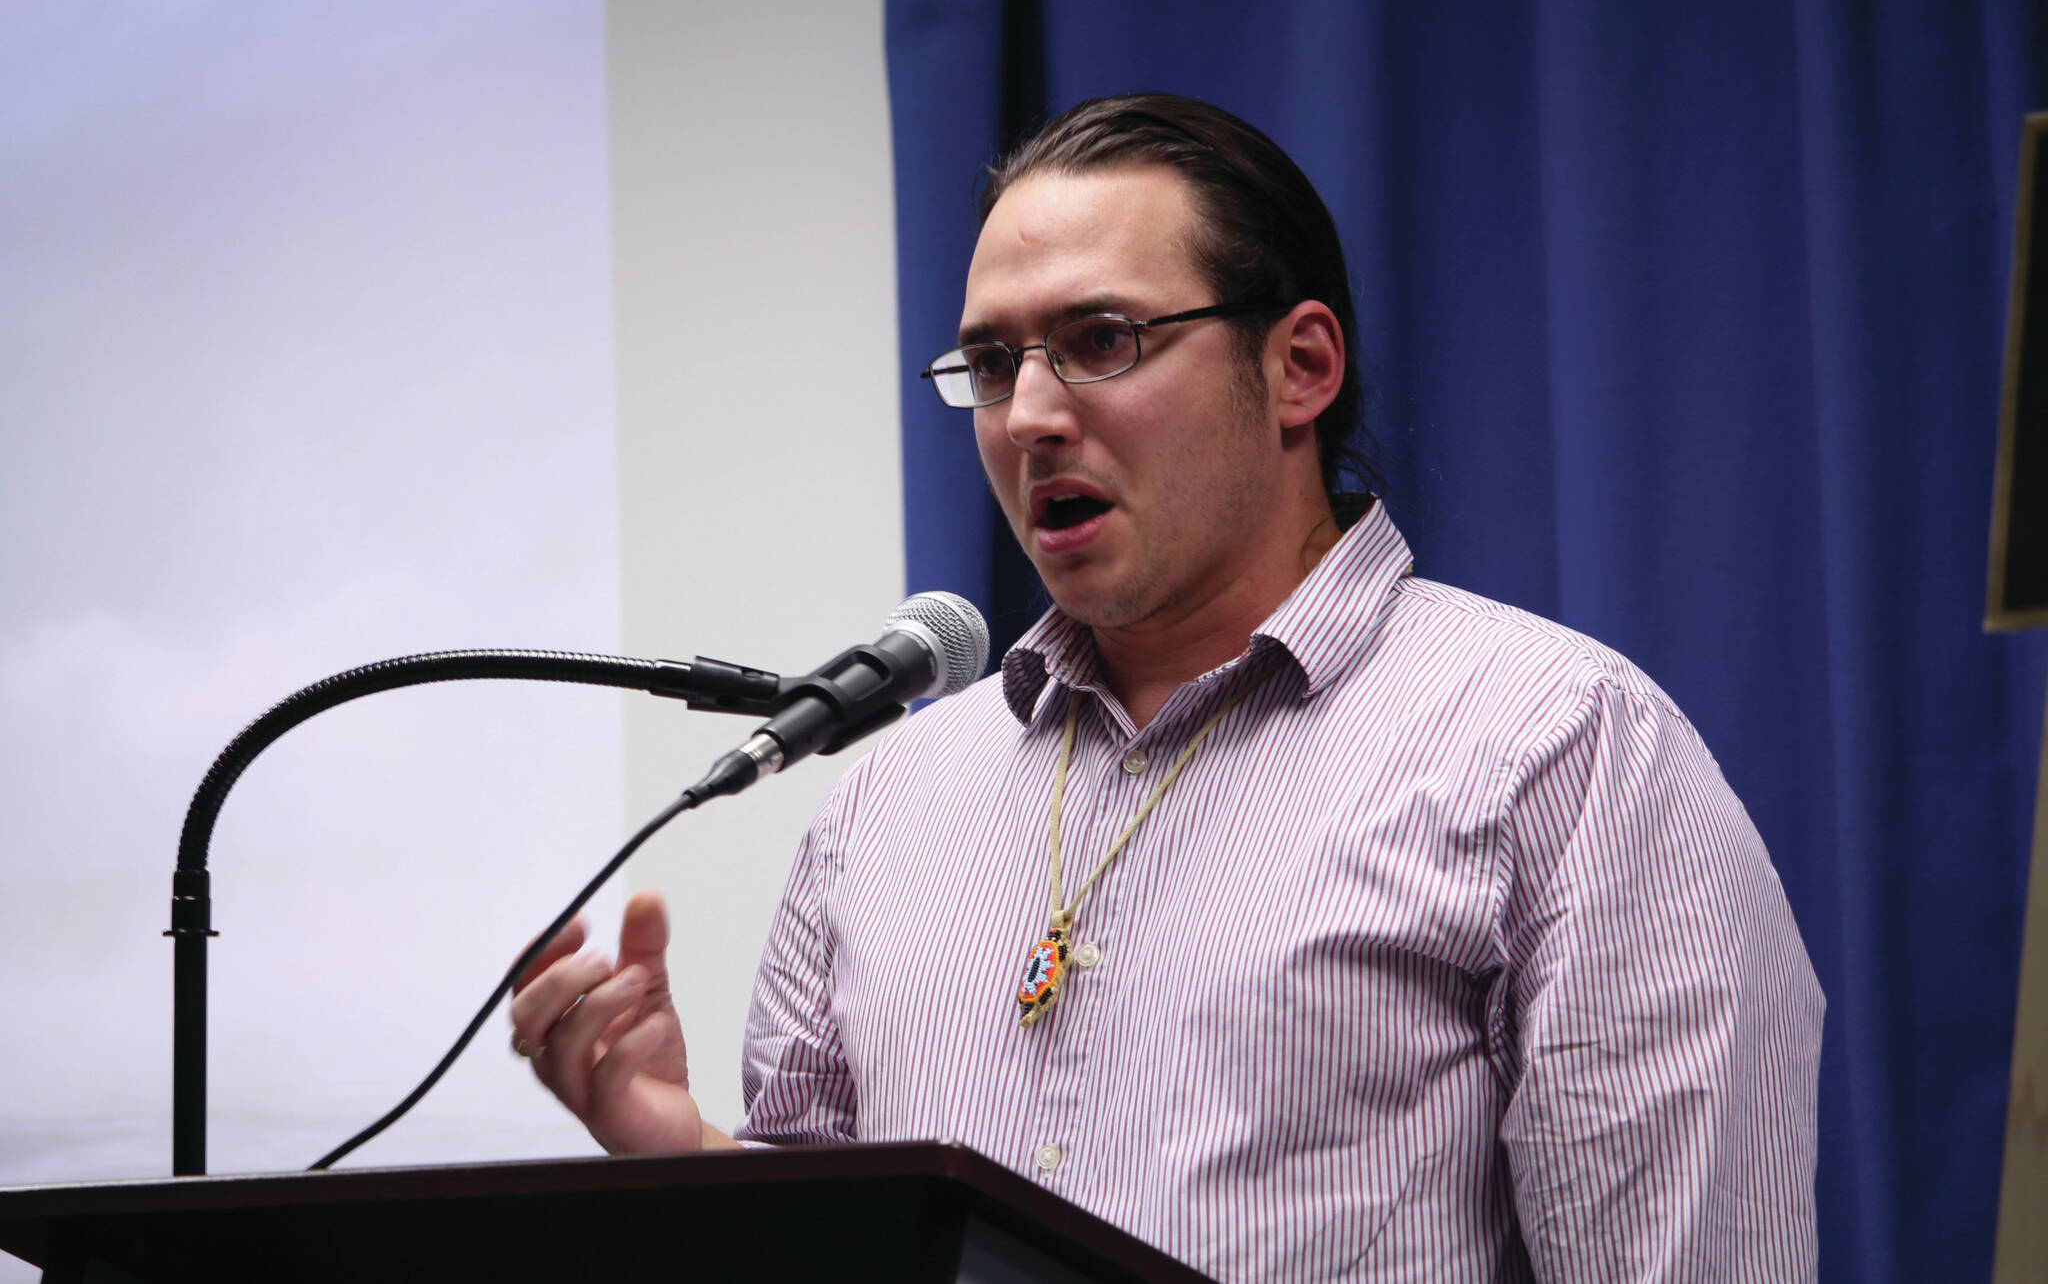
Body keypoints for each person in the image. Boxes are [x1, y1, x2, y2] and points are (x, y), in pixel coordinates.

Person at [509, 93, 1824, 1281]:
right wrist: (680, 1147)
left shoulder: (1562, 748)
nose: (1029, 415)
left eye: (1100, 339)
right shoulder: (886, 806)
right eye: (992, 363)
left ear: (1298, 365)